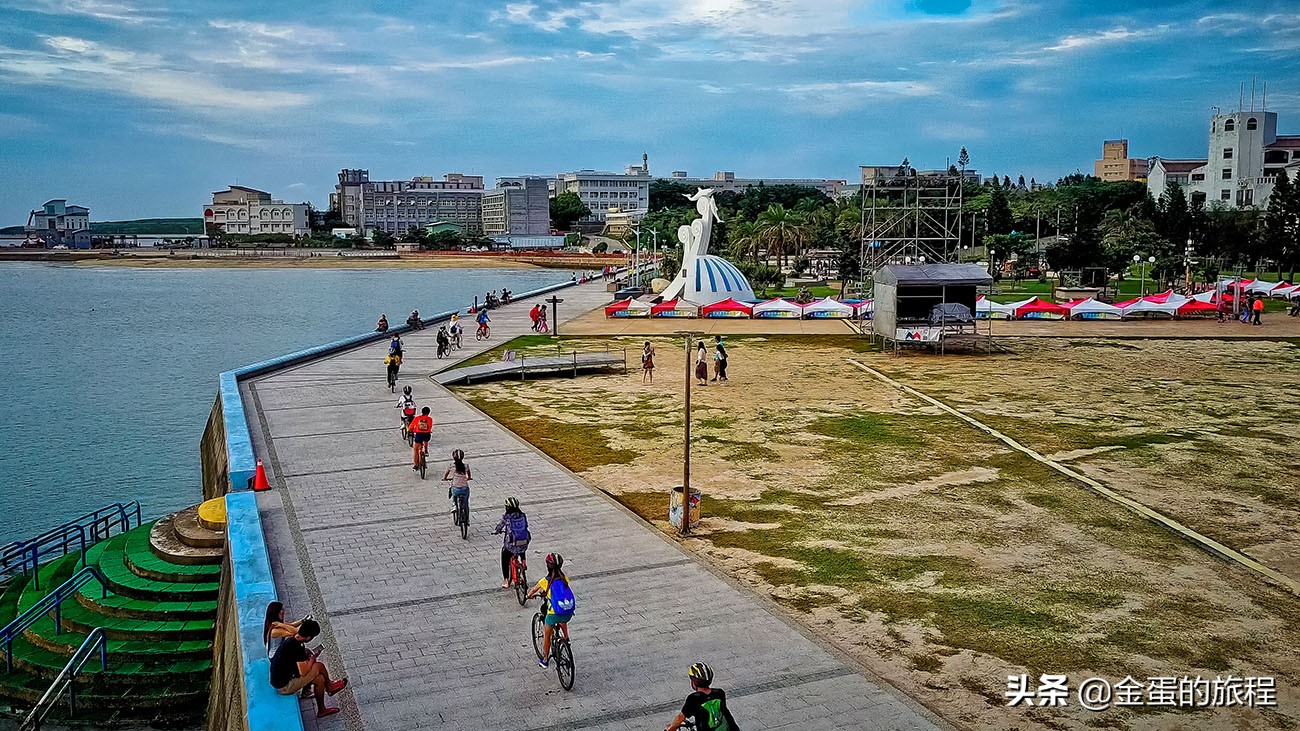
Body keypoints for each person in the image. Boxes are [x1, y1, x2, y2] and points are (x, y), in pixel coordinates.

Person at [268, 619, 347, 718]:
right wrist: (313, 658)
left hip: (281, 680)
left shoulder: (293, 640)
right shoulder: (295, 646)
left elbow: (295, 658)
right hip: (284, 686)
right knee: (318, 666)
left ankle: (322, 710)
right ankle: (330, 686)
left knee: (319, 679)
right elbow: (303, 672)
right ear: (309, 637)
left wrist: (305, 652)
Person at [525, 553, 575, 669]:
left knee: (547, 635)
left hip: (553, 614)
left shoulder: (544, 581)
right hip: (568, 612)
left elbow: (532, 591)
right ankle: (566, 639)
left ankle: (545, 659)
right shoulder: (564, 579)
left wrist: (528, 596)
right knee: (563, 619)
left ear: (548, 566)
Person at [665, 663, 740, 731]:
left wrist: (670, 728)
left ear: (693, 682)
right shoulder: (719, 693)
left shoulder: (694, 698)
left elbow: (680, 718)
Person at [493, 497, 530, 588]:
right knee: (522, 547)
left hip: (511, 544)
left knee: (504, 556)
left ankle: (506, 580)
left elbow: (499, 526)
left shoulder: (507, 517)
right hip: (524, 542)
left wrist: (496, 531)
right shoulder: (523, 516)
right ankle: (523, 561)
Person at [443, 448, 471, 516]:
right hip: (465, 488)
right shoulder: (466, 466)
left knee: (453, 492)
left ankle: (454, 505)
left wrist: (445, 478)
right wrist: (469, 478)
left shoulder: (451, 466)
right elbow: (469, 474)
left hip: (456, 488)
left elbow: (446, 474)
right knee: (466, 503)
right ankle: (466, 519)